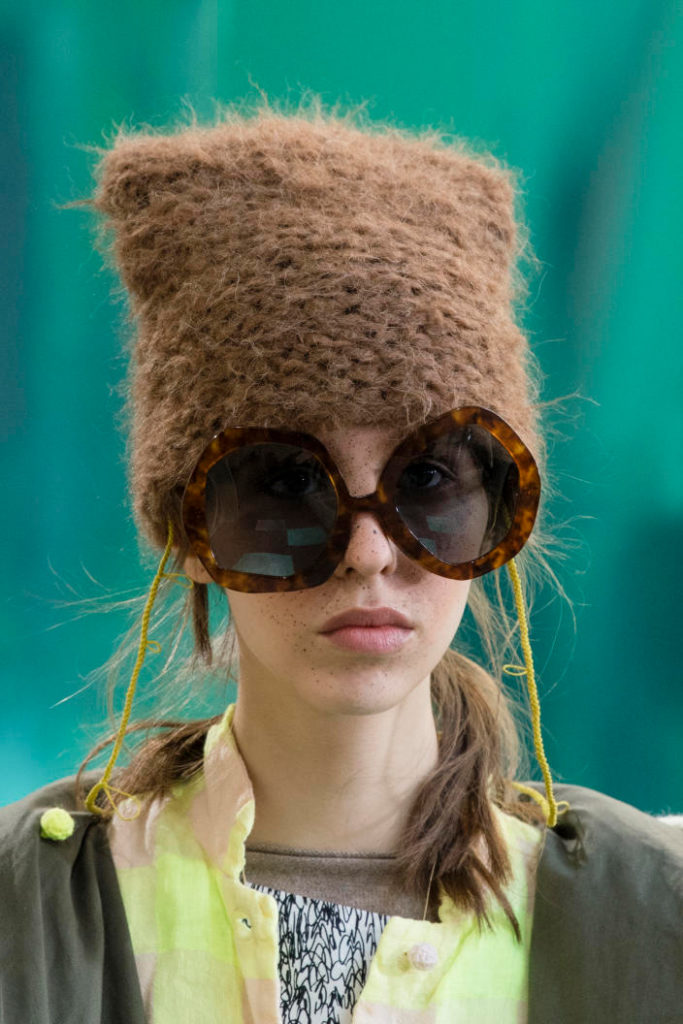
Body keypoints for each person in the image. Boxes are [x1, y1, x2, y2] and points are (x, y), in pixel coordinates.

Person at [1, 95, 681, 1024]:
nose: (368, 553)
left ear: (496, 511)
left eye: (428, 479)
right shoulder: (36, 911)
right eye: (286, 486)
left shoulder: (650, 914)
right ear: (189, 534)